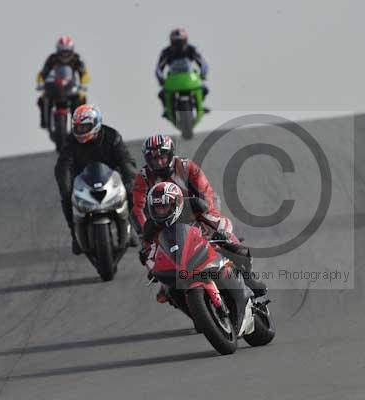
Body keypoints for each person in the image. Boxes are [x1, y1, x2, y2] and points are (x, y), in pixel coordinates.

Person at [139, 182, 267, 304]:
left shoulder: (193, 206)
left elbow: (220, 220)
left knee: (236, 250)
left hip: (208, 243)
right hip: (179, 261)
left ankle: (249, 278)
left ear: (175, 204)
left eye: (164, 206)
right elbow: (151, 253)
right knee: (168, 291)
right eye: (157, 208)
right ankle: (195, 312)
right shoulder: (151, 227)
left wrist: (223, 233)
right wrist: (152, 269)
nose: (161, 211)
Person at [55, 104, 138, 254]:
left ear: (96, 124)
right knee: (66, 197)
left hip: (112, 179)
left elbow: (125, 159)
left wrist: (130, 177)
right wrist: (64, 184)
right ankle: (74, 233)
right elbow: (63, 165)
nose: (80, 131)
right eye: (78, 127)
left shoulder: (112, 136)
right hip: (83, 181)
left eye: (85, 127)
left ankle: (131, 227)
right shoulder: (70, 142)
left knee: (132, 189)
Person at [36, 36, 90, 128]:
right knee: (42, 98)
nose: (65, 54)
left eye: (67, 51)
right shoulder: (52, 59)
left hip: (71, 86)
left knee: (82, 98)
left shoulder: (77, 59)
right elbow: (43, 73)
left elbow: (84, 73)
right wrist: (40, 83)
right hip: (55, 86)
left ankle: (80, 122)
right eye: (62, 51)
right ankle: (44, 120)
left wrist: (83, 84)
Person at [155, 28, 209, 118]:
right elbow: (158, 68)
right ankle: (167, 110)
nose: (178, 45)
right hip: (173, 79)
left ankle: (200, 105)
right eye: (176, 43)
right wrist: (161, 79)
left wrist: (202, 74)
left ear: (185, 41)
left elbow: (203, 64)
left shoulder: (191, 49)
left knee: (204, 89)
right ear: (171, 42)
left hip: (190, 77)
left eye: (180, 42)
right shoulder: (166, 52)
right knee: (161, 94)